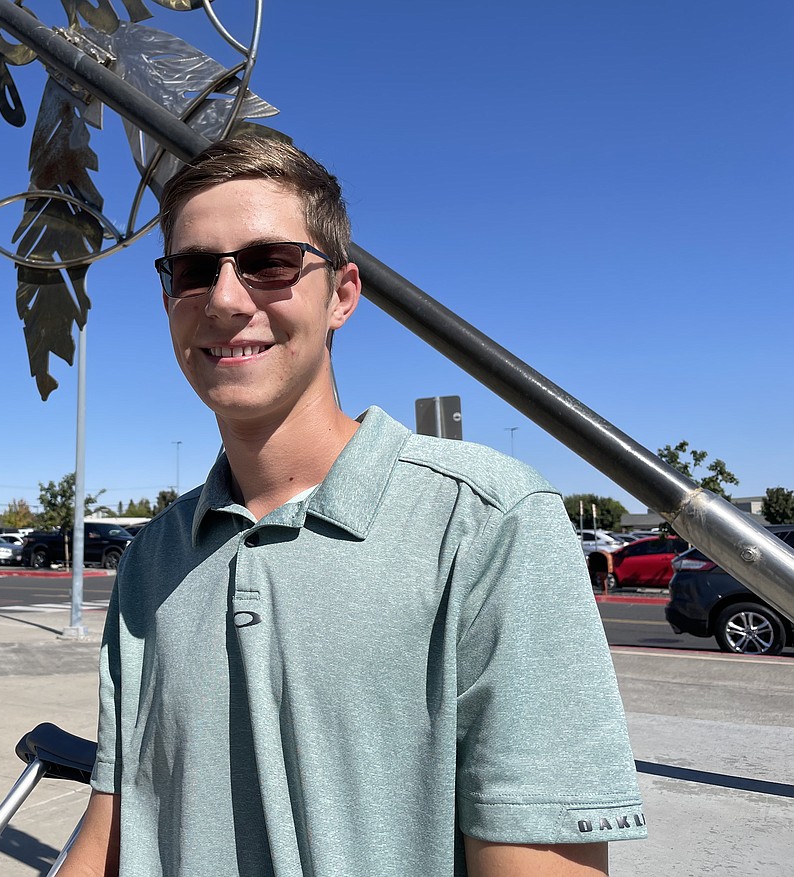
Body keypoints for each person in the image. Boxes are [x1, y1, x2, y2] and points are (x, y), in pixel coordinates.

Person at [58, 137, 646, 876]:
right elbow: (112, 824)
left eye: (270, 262)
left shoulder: (488, 522)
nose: (227, 298)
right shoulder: (153, 559)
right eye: (193, 269)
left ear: (341, 294)